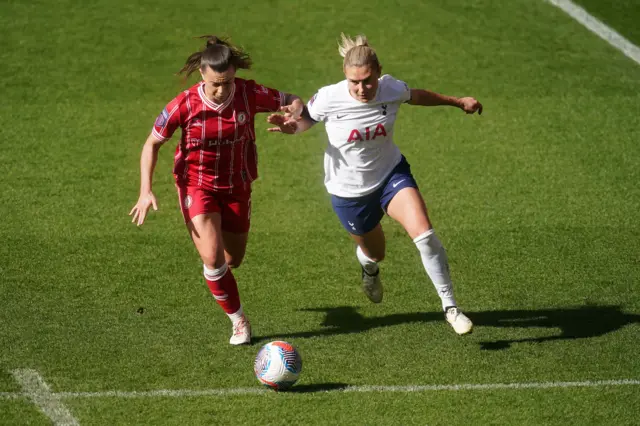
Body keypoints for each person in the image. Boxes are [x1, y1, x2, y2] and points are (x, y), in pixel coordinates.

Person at [267, 33, 482, 335]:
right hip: (349, 193)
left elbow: (417, 96)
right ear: (345, 76)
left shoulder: (391, 88)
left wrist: (458, 102)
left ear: (379, 72)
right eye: (355, 82)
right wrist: (290, 128)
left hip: (390, 175)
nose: (361, 88)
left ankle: (451, 308)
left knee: (425, 235)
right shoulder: (329, 97)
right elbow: (305, 121)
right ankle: (369, 269)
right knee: (375, 253)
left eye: (367, 80)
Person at [129, 35, 304, 345]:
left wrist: (293, 116)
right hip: (197, 185)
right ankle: (239, 322)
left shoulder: (249, 93)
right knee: (212, 259)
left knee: (231, 260)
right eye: (215, 85)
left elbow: (292, 99)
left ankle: (220, 277)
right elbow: (151, 144)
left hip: (238, 185)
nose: (222, 90)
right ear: (202, 75)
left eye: (227, 82)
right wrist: (146, 190)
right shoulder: (184, 104)